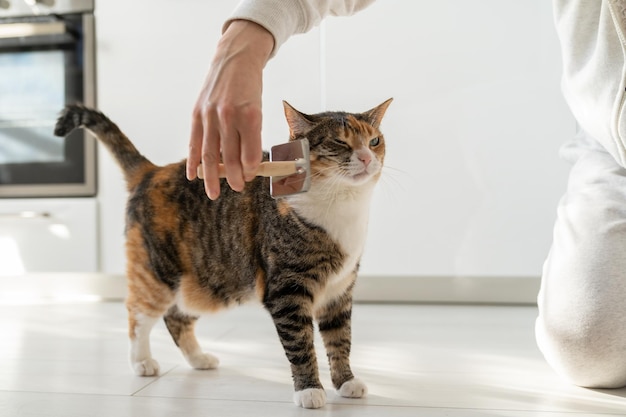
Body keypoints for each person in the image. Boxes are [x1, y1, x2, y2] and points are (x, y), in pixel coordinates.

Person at [186, 0, 626, 389]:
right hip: (610, 144)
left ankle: (337, 371)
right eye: (344, 147)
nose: (366, 157)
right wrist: (249, 35)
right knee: (588, 347)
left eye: (373, 144)